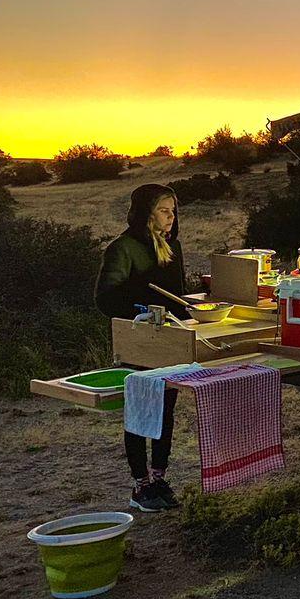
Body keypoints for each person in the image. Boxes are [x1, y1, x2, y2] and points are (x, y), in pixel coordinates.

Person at [94, 184, 190, 513]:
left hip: (169, 342)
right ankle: (140, 486)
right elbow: (105, 298)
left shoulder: (172, 244)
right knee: (140, 413)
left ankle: (159, 477)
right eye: (164, 211)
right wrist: (141, 310)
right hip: (138, 343)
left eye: (173, 211)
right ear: (146, 214)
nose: (171, 217)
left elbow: (176, 293)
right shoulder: (122, 249)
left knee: (165, 412)